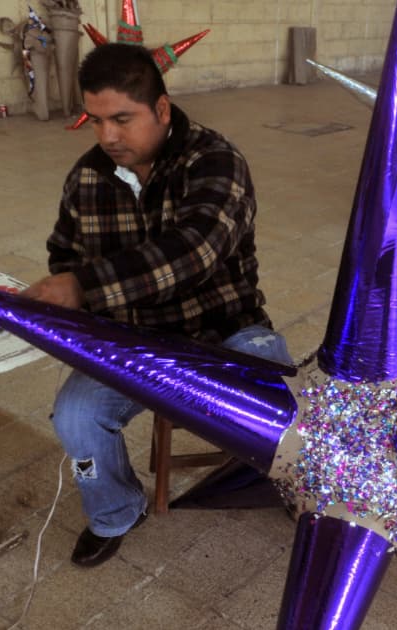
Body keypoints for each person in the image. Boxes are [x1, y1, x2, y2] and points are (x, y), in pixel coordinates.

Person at [22, 43, 291, 568]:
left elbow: (192, 253)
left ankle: (297, 487)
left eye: (122, 119)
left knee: (288, 412)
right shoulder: (86, 179)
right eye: (95, 121)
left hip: (226, 331)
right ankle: (115, 511)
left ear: (162, 110)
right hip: (133, 341)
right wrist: (60, 307)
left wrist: (82, 288)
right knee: (74, 419)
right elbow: (64, 253)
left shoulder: (215, 162)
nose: (108, 137)